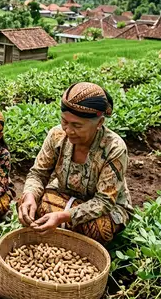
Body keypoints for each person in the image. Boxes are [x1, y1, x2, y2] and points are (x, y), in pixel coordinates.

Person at [19, 82, 132, 244]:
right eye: (64, 121)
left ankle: (61, 230)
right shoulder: (56, 136)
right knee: (27, 207)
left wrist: (63, 216)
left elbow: (104, 202)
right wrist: (30, 196)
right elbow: (38, 174)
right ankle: (62, 232)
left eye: (77, 125)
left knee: (101, 230)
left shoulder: (114, 148)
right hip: (64, 195)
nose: (68, 130)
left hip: (101, 208)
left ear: (99, 123)